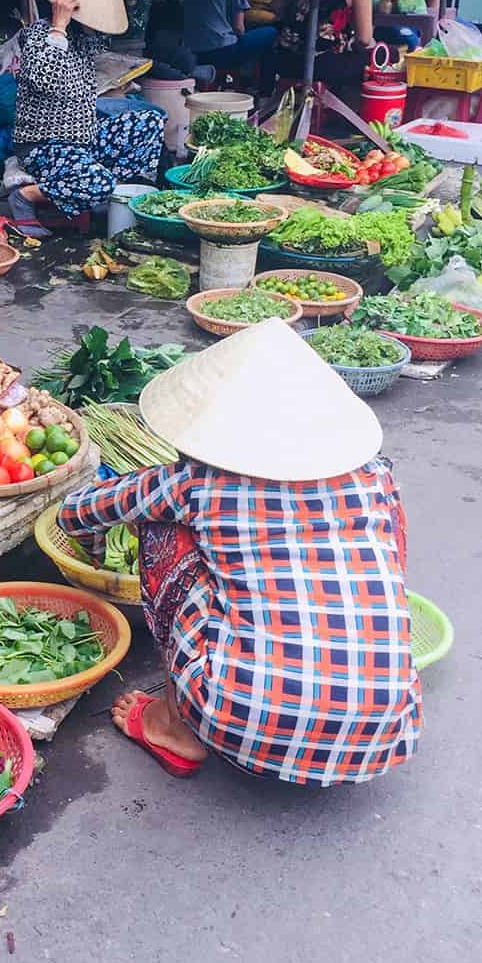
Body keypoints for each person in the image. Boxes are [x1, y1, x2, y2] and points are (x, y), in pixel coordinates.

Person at [58, 319, 422, 785]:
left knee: (159, 532)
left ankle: (174, 728)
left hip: (244, 718)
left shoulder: (197, 484)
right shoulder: (376, 479)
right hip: (384, 727)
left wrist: (92, 550)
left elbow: (79, 512)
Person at [9, 0, 164, 238]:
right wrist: (59, 24)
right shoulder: (37, 35)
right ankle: (27, 196)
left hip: (83, 140)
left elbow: (102, 43)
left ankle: (121, 199)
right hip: (44, 146)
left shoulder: (82, 39)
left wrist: (89, 20)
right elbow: (45, 79)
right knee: (100, 182)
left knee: (149, 122)